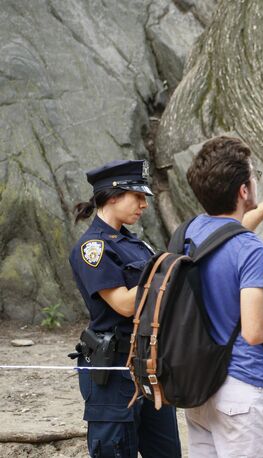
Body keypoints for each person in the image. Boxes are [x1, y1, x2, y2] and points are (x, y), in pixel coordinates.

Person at [182, 135, 263, 458]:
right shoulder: (251, 250)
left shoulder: (192, 233)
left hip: (200, 391)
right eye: (253, 175)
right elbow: (254, 330)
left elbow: (232, 230)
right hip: (243, 391)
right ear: (243, 191)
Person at [69, 159, 181, 458]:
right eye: (138, 197)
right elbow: (122, 304)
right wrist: (165, 274)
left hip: (149, 362)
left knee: (167, 450)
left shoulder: (136, 244)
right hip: (114, 368)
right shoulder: (93, 248)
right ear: (113, 195)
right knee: (116, 450)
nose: (143, 205)